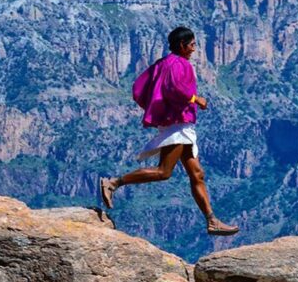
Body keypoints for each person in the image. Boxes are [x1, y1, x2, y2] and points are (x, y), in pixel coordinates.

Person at [99, 26, 239, 236]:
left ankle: (212, 221)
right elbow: (175, 88)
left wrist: (155, 107)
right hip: (178, 124)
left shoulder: (163, 63)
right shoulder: (178, 64)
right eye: (191, 45)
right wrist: (195, 99)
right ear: (182, 46)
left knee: (197, 174)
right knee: (164, 171)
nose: (194, 49)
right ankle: (114, 183)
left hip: (179, 123)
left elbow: (139, 88)